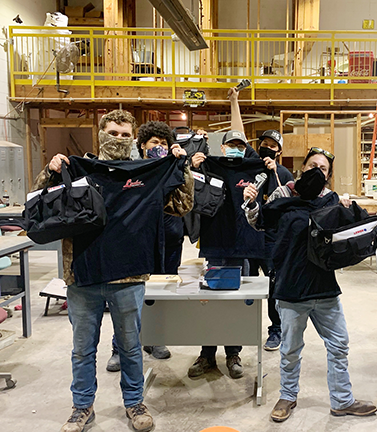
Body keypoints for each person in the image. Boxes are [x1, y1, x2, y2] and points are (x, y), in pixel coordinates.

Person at [33, 110, 193, 432]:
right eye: (113, 133)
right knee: (82, 349)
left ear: (132, 138)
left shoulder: (147, 171)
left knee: (131, 347)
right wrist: (49, 173)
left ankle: (134, 404)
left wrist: (182, 167)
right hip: (83, 274)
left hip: (128, 275)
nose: (118, 139)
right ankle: (82, 408)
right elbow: (42, 202)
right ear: (101, 133)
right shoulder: (79, 169)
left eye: (124, 134)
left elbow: (181, 206)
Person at [243, 147, 377, 422]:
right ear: (302, 168)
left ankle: (342, 400)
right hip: (291, 289)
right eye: (312, 165)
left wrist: (350, 210)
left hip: (324, 288)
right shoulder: (284, 197)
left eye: (324, 168)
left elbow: (357, 237)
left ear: (329, 176)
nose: (317, 171)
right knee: (290, 349)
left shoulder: (332, 202)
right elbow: (259, 222)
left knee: (339, 345)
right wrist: (251, 203)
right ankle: (287, 396)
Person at [187, 87, 266, 380]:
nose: (235, 148)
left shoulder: (254, 165)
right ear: (222, 148)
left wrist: (270, 167)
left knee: (236, 303)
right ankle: (207, 354)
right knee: (209, 301)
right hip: (215, 245)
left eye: (239, 145)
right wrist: (190, 164)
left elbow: (239, 130)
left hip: (243, 246)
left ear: (246, 150)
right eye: (230, 144)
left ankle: (233, 354)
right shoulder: (210, 164)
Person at [106, 121, 186, 372]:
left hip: (170, 239)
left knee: (162, 295)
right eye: (154, 142)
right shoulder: (132, 171)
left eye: (163, 143)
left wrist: (181, 165)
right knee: (127, 298)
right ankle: (119, 348)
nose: (159, 147)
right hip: (138, 242)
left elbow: (185, 200)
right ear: (141, 145)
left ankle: (155, 340)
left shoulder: (170, 167)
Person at [248, 130, 294, 351]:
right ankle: (241, 332)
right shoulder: (249, 169)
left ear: (279, 151)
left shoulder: (284, 174)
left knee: (273, 286)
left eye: (273, 145)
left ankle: (276, 330)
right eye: (264, 143)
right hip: (247, 238)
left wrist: (275, 174)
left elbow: (288, 204)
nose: (267, 147)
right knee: (245, 286)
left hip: (271, 240)